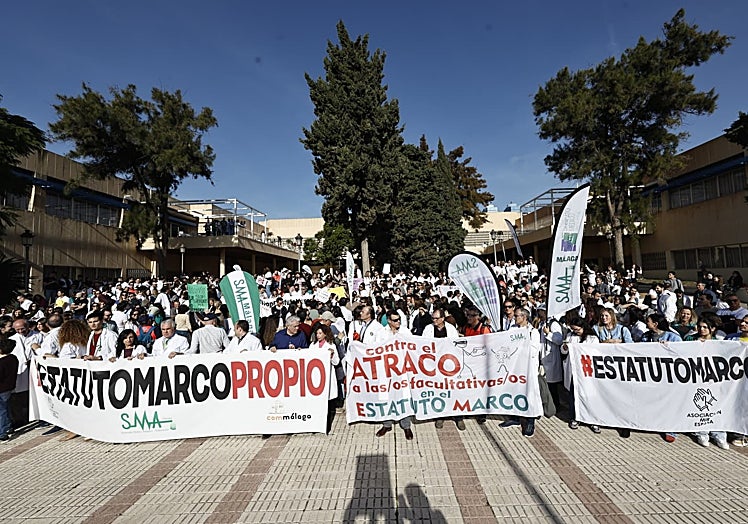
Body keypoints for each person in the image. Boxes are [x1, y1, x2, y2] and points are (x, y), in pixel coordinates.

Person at [560, 317, 600, 432]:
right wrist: (565, 347)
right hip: (573, 371)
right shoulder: (570, 336)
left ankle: (592, 420)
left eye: (577, 329)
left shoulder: (592, 338)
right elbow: (563, 351)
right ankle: (574, 417)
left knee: (589, 395)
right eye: (573, 329)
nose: (575, 331)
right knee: (573, 395)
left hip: (587, 372)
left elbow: (595, 352)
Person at [0, 338, 19, 441]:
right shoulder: (13, 358)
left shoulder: (2, 362)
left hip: (1, 389)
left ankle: (2, 432)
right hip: (8, 388)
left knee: (1, 411)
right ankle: (8, 426)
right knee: (5, 408)